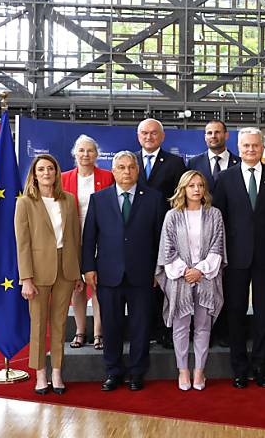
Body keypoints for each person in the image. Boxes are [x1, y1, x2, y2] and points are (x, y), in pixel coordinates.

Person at [82, 151, 166, 392]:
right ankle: (113, 371)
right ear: (113, 171)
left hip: (143, 275)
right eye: (121, 167)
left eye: (131, 167)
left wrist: (158, 270)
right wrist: (88, 267)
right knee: (111, 326)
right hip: (108, 274)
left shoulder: (154, 198)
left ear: (137, 170)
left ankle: (137, 372)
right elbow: (90, 238)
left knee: (141, 326)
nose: (127, 172)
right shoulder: (99, 199)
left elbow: (161, 239)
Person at [213, 127, 265, 389]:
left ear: (262, 148)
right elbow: (218, 220)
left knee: (264, 313)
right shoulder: (225, 178)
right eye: (246, 146)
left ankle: (261, 366)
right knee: (236, 313)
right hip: (235, 259)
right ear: (238, 148)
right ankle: (239, 368)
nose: (251, 150)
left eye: (255, 146)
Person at [16, 154, 83, 395]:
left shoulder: (68, 200)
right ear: (34, 174)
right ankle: (40, 373)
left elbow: (76, 238)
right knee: (38, 324)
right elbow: (22, 244)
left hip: (66, 269)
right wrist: (26, 278)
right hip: (37, 271)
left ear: (56, 173)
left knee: (60, 323)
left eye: (50, 169)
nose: (46, 173)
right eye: (41, 169)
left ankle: (56, 371)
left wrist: (77, 273)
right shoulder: (25, 203)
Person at [156, 170, 226, 391]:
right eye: (191, 186)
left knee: (203, 327)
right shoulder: (172, 216)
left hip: (206, 277)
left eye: (200, 185)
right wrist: (186, 270)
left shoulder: (214, 214)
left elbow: (217, 246)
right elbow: (167, 249)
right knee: (181, 327)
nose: (196, 189)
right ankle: (183, 371)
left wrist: (200, 270)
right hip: (180, 278)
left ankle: (199, 372)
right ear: (183, 189)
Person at [136, 118, 187, 349]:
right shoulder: (130, 161)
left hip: (167, 233)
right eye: (144, 133)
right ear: (139, 136)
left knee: (166, 283)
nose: (149, 137)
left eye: (153, 133)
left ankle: (165, 330)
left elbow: (181, 198)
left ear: (162, 136)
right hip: (136, 233)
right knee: (141, 284)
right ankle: (144, 330)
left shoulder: (176, 163)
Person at [61, 135, 113, 352]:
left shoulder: (107, 176)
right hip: (72, 239)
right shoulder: (63, 178)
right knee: (76, 286)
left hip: (101, 239)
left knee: (98, 285)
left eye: (90, 150)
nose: (85, 155)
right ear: (75, 153)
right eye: (81, 150)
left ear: (97, 154)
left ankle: (99, 332)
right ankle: (81, 331)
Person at [188, 120, 238, 188]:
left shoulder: (239, 163)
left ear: (226, 135)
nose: (213, 136)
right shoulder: (193, 163)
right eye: (209, 133)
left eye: (217, 132)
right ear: (205, 137)